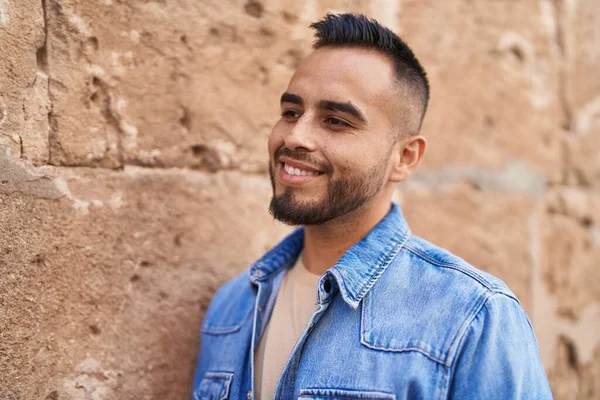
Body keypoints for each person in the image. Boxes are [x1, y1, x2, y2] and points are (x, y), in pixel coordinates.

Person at [191, 13, 552, 400]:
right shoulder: (233, 307)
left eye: (336, 121)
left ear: (406, 157)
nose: (295, 136)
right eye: (291, 112)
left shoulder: (473, 317)